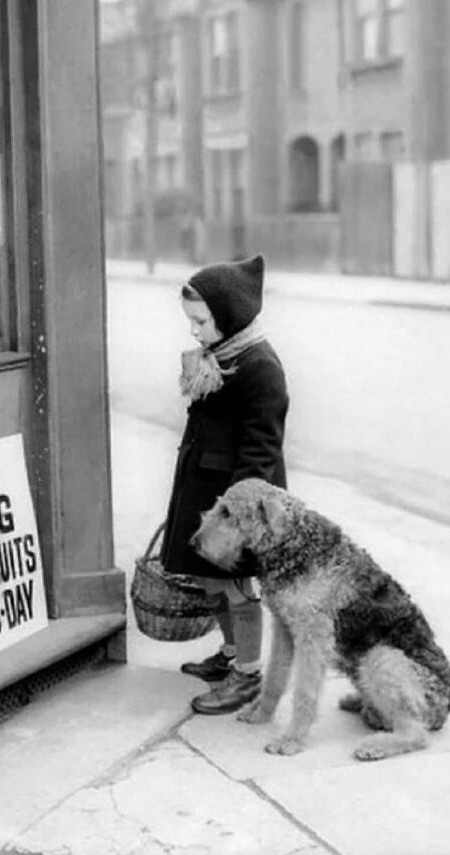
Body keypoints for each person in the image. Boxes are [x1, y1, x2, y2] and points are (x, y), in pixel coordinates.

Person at [159, 254, 289, 714]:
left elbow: (261, 450)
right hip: (203, 489)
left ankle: (248, 674)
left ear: (228, 316)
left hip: (236, 503)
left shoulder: (260, 367)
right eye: (190, 321)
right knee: (208, 580)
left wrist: (234, 517)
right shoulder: (221, 356)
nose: (193, 331)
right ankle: (232, 653)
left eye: (200, 321)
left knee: (234, 586)